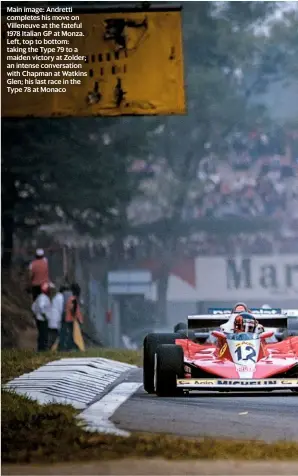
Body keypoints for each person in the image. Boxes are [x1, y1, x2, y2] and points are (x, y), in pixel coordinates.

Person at [32, 281, 51, 351]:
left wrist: (36, 315)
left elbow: (33, 307)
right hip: (43, 320)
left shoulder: (39, 297)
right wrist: (44, 316)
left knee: (41, 335)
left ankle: (41, 348)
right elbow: (41, 307)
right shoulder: (43, 297)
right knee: (44, 335)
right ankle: (42, 349)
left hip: (39, 319)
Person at [64, 283, 84, 351]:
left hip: (71, 320)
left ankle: (71, 348)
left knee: (72, 335)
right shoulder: (73, 299)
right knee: (73, 335)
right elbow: (73, 310)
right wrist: (78, 319)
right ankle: (71, 348)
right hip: (72, 320)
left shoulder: (72, 299)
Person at [48, 283, 64, 350]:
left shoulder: (56, 297)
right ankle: (51, 348)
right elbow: (61, 309)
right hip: (55, 320)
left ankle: (50, 348)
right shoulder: (60, 297)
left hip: (53, 320)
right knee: (54, 336)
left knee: (52, 335)